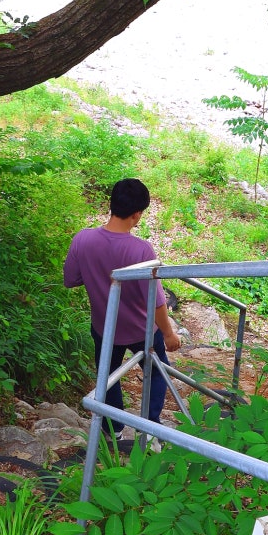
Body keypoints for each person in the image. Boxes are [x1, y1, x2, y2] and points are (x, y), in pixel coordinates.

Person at [63, 177, 181, 438]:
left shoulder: (82, 240)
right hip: (142, 330)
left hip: (104, 327)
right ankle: (149, 428)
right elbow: (158, 300)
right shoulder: (141, 250)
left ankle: (112, 429)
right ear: (137, 214)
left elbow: (70, 279)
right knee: (158, 373)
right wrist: (170, 333)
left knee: (107, 375)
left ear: (112, 204)